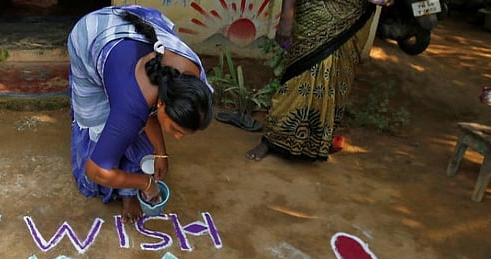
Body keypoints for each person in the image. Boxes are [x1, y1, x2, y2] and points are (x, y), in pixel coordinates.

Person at [68, 5, 214, 222]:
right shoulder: (133, 105)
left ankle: (129, 186)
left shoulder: (192, 77)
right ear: (161, 104)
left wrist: (160, 152)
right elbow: (96, 170)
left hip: (128, 40)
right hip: (90, 36)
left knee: (128, 126)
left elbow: (149, 113)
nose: (179, 137)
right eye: (176, 129)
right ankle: (127, 192)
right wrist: (145, 183)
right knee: (101, 127)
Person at [246, 0, 384, 161]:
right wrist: (286, 16)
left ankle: (315, 142)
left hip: (354, 13)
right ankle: (271, 140)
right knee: (303, 72)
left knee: (335, 76)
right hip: (316, 8)